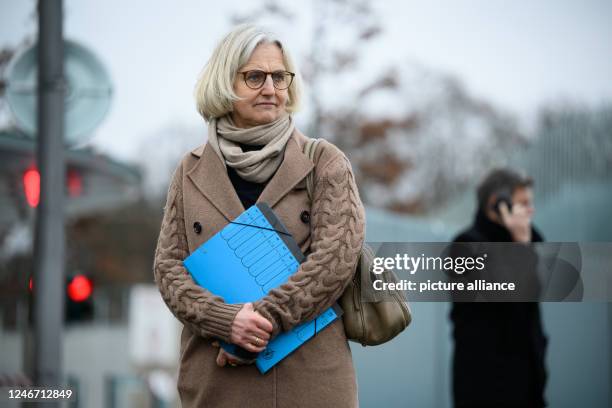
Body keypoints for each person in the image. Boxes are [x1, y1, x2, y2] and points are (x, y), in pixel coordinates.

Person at [153, 24, 365, 408]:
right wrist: (226, 321)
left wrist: (257, 325)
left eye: (279, 77)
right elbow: (168, 269)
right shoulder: (189, 170)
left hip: (310, 383)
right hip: (217, 383)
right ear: (224, 83)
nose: (270, 88)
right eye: (254, 76)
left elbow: (337, 259)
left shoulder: (325, 162)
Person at [450, 168, 548, 408]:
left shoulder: (529, 242)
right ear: (498, 204)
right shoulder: (465, 246)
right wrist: (521, 248)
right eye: (523, 203)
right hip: (484, 388)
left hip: (529, 383)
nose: (530, 210)